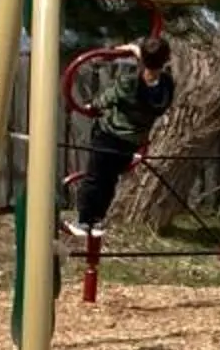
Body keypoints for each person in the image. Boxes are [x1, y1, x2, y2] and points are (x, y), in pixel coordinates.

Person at [63, 35, 176, 239]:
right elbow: (153, 66)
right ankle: (97, 220)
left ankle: (83, 221)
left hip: (110, 136)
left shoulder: (129, 83)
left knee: (94, 178)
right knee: (110, 180)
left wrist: (91, 107)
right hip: (132, 142)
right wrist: (137, 51)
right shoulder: (167, 85)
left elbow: (106, 99)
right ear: (166, 59)